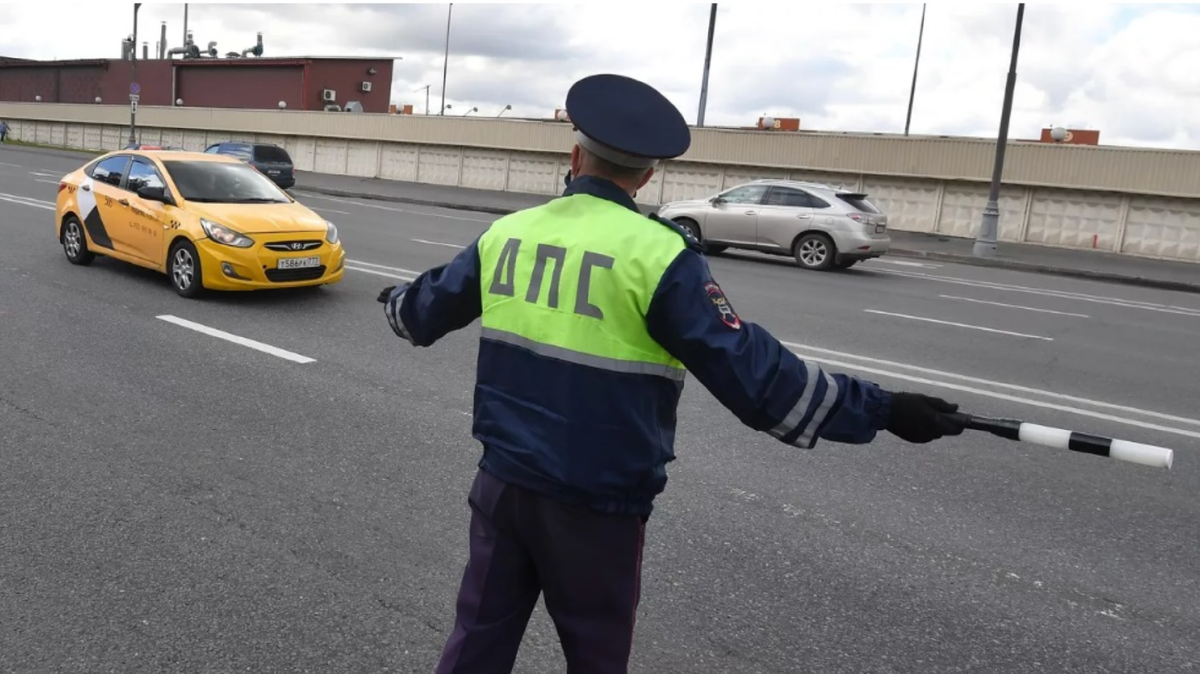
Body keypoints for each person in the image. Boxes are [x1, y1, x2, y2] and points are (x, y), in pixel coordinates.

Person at [377, 73, 967, 674]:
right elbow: (758, 379)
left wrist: (395, 300)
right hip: (596, 504)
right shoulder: (659, 254)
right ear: (647, 175)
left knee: (477, 639)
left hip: (502, 485)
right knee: (595, 652)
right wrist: (885, 410)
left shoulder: (509, 233)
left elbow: (423, 312)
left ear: (574, 155)